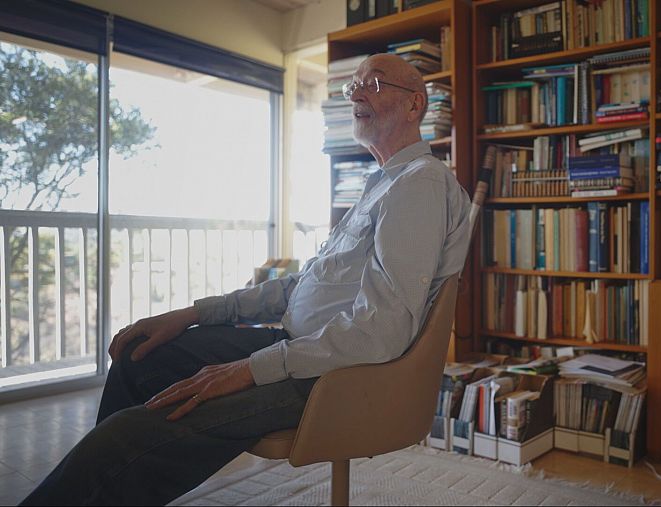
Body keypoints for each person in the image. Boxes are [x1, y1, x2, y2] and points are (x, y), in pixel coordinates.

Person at [21, 53, 471, 506]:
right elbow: (302, 286)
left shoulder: (419, 186)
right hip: (303, 349)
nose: (354, 93)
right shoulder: (381, 184)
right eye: (350, 85)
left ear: (415, 106)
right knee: (142, 356)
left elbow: (381, 330)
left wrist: (248, 371)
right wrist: (196, 312)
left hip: (338, 377)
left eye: (371, 84)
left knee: (127, 436)